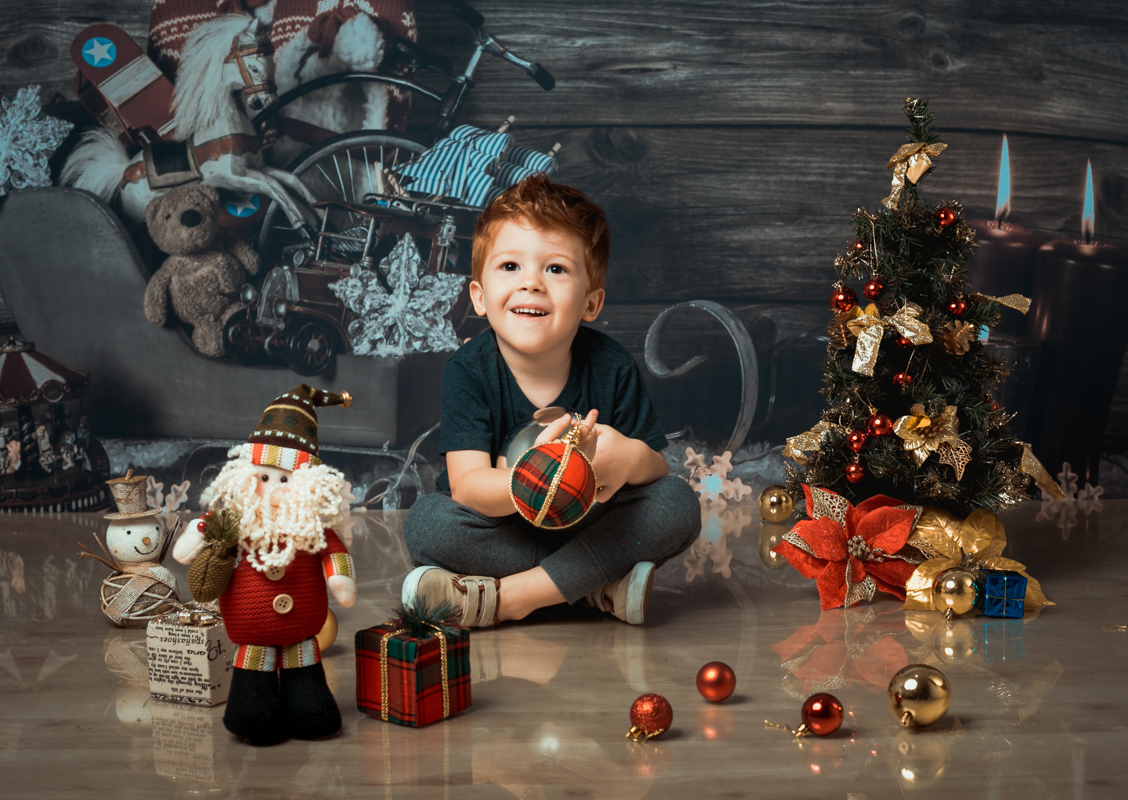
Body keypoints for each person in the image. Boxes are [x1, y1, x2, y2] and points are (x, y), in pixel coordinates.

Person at [401, 174, 700, 628]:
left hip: (592, 523)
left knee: (678, 504)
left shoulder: (611, 366)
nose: (531, 284)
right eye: (510, 267)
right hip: (502, 528)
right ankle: (593, 586)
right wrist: (532, 480)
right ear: (479, 297)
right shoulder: (468, 370)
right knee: (427, 523)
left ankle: (511, 597)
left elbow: (656, 470)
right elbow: (467, 487)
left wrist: (629, 458)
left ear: (590, 304)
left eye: (555, 269)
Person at [174, 385, 356, 745]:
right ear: (246, 473)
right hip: (251, 632)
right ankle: (251, 714)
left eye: (285, 479)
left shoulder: (310, 525)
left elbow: (333, 551)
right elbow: (199, 534)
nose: (273, 487)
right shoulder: (235, 515)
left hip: (303, 630)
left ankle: (310, 710)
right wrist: (198, 532)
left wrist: (340, 581)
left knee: (305, 677)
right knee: (253, 679)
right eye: (265, 476)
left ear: (307, 482)